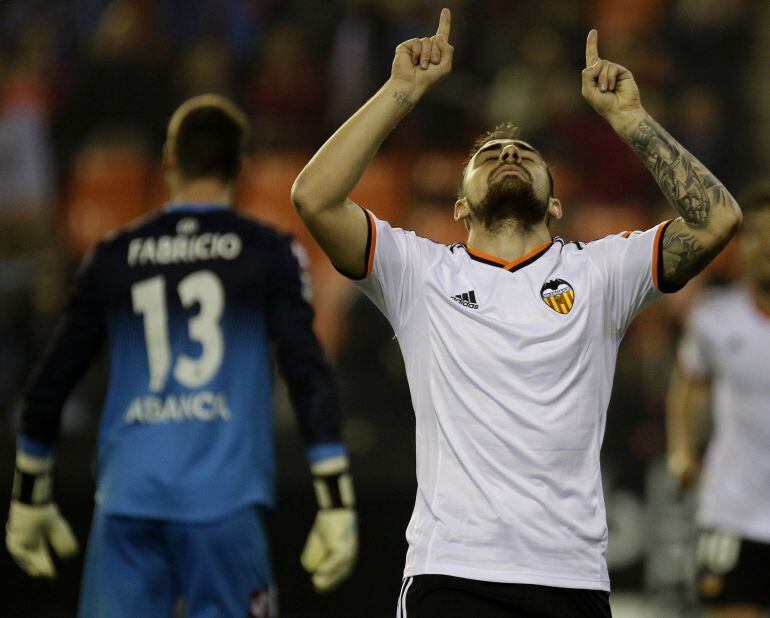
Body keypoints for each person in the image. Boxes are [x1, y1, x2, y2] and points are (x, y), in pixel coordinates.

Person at [290, 8, 741, 617]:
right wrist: (401, 93)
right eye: (490, 153)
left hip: (570, 577)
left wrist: (632, 120)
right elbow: (313, 197)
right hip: (451, 570)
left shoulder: (602, 272)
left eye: (524, 152)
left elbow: (718, 221)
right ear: (459, 204)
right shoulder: (418, 272)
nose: (507, 153)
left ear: (556, 203)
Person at [5, 94, 358, 617]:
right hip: (223, 504)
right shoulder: (267, 252)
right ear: (240, 167)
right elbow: (307, 374)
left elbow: (52, 380)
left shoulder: (114, 255)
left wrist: (30, 492)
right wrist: (335, 498)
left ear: (169, 160)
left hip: (127, 500)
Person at [667, 183, 770, 618]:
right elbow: (690, 381)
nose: (766, 245)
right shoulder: (713, 318)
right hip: (733, 511)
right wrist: (681, 449)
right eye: (756, 233)